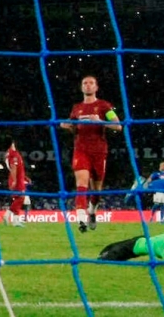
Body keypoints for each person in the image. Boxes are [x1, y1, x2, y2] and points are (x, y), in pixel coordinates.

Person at [61, 75, 123, 233]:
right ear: (81, 87)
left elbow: (118, 126)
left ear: (96, 87)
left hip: (99, 151)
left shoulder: (104, 106)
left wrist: (100, 122)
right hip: (81, 150)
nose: (88, 85)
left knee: (96, 191)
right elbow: (72, 126)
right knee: (81, 184)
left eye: (91, 83)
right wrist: (67, 125)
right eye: (85, 83)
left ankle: (92, 211)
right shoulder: (76, 108)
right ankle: (81, 219)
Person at [4, 136, 28, 228]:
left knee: (18, 199)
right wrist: (14, 181)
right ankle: (7, 215)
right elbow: (13, 168)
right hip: (17, 180)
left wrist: (25, 177)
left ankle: (15, 220)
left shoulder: (11, 154)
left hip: (19, 178)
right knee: (21, 198)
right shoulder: (13, 154)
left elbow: (19, 168)